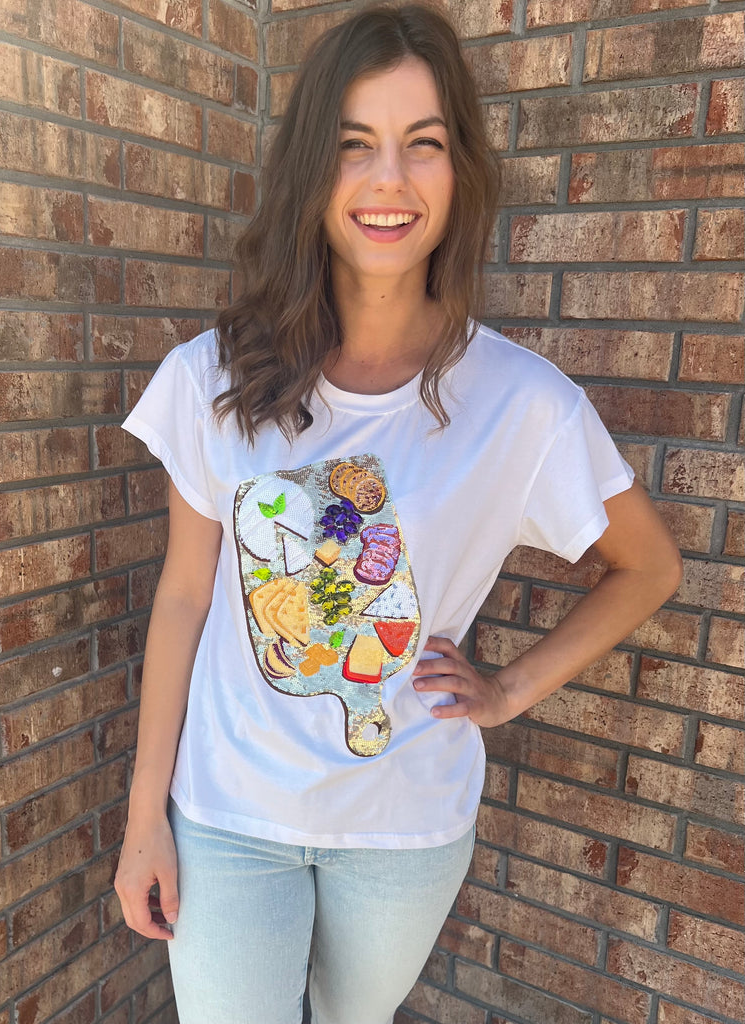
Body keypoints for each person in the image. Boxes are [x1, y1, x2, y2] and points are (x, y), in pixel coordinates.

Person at [114, 5, 683, 1023]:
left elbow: (648, 566)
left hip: (404, 830)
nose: (388, 178)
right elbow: (186, 595)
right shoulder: (214, 377)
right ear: (310, 170)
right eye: (353, 144)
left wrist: (507, 690)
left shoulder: (520, 402)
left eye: (421, 143)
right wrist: (141, 816)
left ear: (458, 171)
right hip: (229, 816)